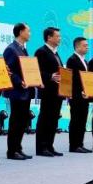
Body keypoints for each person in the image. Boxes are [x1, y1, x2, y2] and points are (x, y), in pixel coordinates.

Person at [3, 23, 35, 160]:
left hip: (25, 91)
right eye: (28, 31)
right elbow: (8, 71)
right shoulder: (11, 49)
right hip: (16, 91)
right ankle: (12, 151)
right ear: (21, 32)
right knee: (16, 121)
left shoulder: (23, 49)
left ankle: (18, 148)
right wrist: (19, 81)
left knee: (22, 120)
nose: (30, 33)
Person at [34, 27, 64, 157]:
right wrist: (50, 76)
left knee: (54, 119)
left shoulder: (56, 53)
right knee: (45, 119)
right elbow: (37, 71)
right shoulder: (41, 52)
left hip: (57, 92)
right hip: (47, 91)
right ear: (49, 37)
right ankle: (41, 147)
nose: (59, 38)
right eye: (57, 36)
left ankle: (49, 145)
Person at [66, 37, 92, 153]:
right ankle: (74, 145)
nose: (87, 47)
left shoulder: (85, 61)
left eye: (87, 45)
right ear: (77, 47)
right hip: (76, 95)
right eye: (84, 45)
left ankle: (80, 144)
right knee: (76, 120)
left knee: (82, 120)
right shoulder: (72, 60)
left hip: (85, 95)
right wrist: (79, 91)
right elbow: (72, 79)